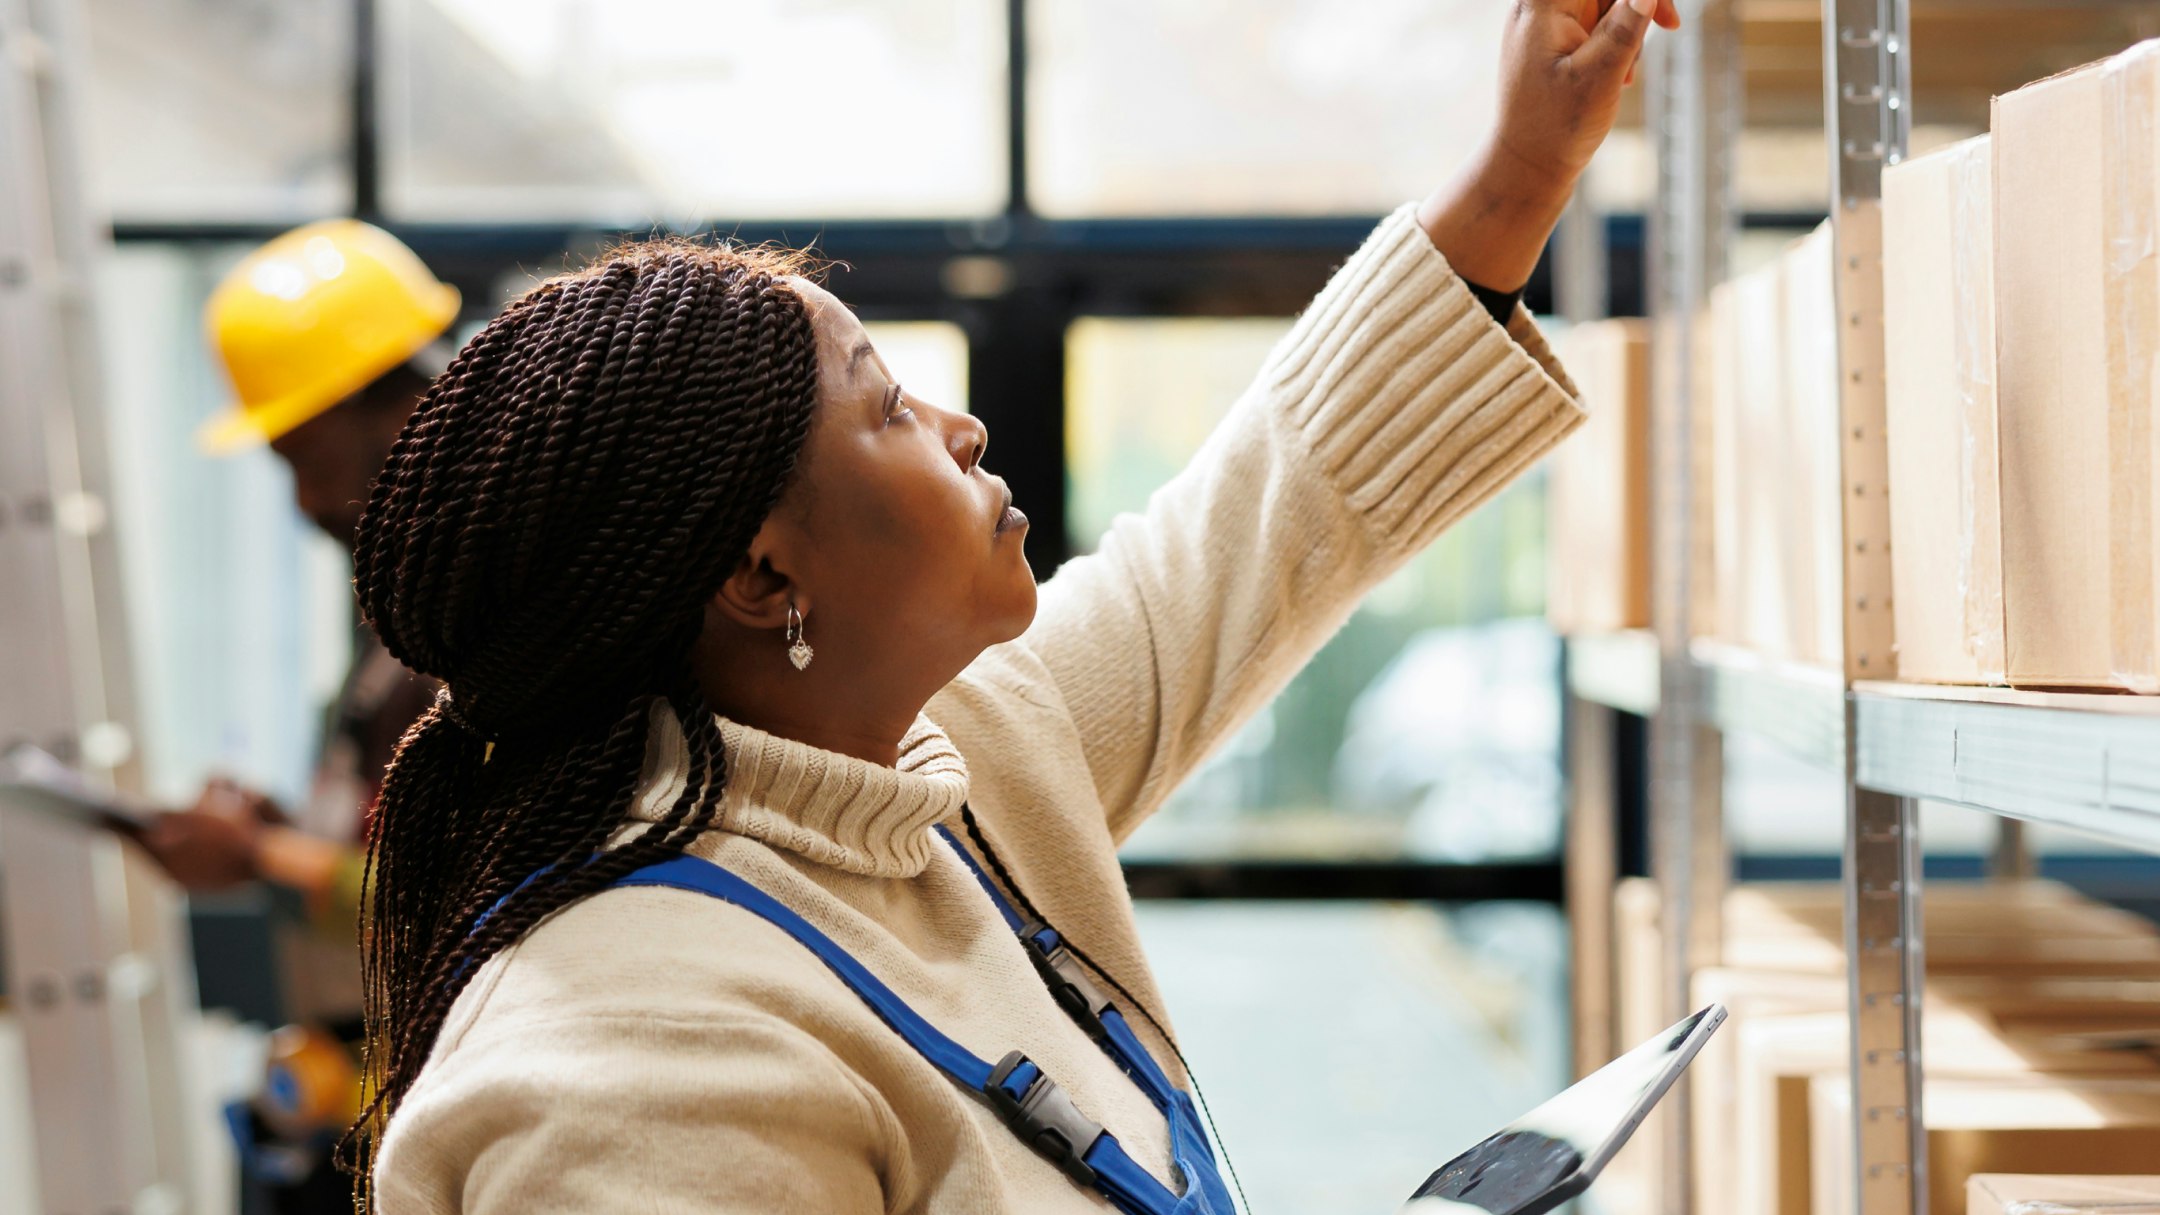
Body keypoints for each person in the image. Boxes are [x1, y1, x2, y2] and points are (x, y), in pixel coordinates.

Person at [358, 2, 1676, 1210]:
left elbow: (1261, 521)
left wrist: (1524, 166)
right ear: (763, 577)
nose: (967, 425)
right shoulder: (628, 1075)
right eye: (887, 405)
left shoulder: (940, 767)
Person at [136, 220, 454, 1211]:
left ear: (403, 410)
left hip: (427, 1121)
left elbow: (457, 899)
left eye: (309, 458)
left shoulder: (483, 626)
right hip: (358, 1110)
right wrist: (278, 833)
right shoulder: (395, 614)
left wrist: (258, 857)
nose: (308, 501)